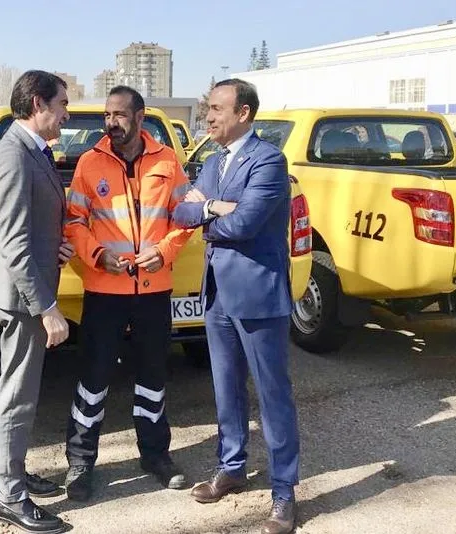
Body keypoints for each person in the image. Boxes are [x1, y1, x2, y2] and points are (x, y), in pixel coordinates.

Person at [171, 78, 300, 534]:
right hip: (217, 294)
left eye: (217, 109)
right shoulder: (212, 161)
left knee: (272, 395)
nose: (208, 116)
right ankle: (232, 468)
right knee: (226, 388)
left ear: (243, 113)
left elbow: (245, 223)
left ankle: (284, 494)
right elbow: (181, 212)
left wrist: (214, 208)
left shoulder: (268, 159)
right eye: (208, 107)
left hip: (258, 294)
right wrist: (214, 207)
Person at [60, 85, 194, 501]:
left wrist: (165, 250)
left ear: (140, 117)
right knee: (94, 378)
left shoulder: (168, 162)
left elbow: (186, 216)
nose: (110, 122)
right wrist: (97, 255)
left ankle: (155, 455)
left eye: (119, 115)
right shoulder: (89, 162)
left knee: (153, 375)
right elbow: (74, 222)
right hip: (105, 291)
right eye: (107, 115)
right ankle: (80, 463)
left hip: (153, 291)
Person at [0, 69, 75, 534]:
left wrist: (55, 245)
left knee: (16, 391)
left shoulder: (32, 151)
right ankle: (9, 496)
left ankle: (8, 470)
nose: (66, 114)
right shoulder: (14, 155)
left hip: (28, 288)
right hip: (24, 300)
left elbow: (29, 231)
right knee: (17, 396)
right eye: (62, 104)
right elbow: (13, 244)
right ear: (38, 103)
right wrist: (48, 308)